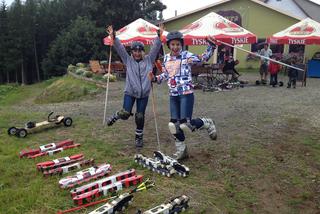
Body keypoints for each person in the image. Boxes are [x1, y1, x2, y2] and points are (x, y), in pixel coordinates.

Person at [150, 31, 218, 160]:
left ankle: (207, 123)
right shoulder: (166, 58)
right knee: (173, 125)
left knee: (185, 125)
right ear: (169, 45)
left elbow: (203, 58)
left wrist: (211, 46)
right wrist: (154, 78)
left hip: (186, 93)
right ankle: (182, 150)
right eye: (172, 44)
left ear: (181, 44)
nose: (175, 47)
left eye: (177, 44)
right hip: (173, 95)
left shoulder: (187, 56)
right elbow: (165, 75)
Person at [106, 25, 164, 148]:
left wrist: (159, 36)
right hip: (130, 92)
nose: (137, 53)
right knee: (125, 113)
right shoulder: (128, 60)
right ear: (131, 52)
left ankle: (138, 137)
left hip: (144, 94)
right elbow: (120, 48)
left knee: (140, 116)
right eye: (134, 51)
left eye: (139, 51)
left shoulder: (149, 60)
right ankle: (117, 115)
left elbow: (155, 48)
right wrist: (114, 37)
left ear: (143, 51)